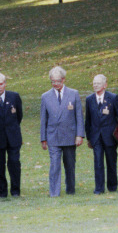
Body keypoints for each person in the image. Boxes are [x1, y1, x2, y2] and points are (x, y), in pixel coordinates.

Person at [39, 65, 84, 197]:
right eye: (53, 81)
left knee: (70, 165)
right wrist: (43, 138)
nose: (55, 84)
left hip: (70, 135)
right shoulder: (45, 96)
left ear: (63, 80)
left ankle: (70, 189)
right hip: (53, 136)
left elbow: (79, 117)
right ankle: (54, 192)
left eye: (58, 81)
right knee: (54, 165)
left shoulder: (73, 94)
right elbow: (43, 119)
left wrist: (79, 135)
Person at [85, 74, 118, 194]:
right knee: (98, 162)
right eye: (94, 83)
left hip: (110, 136)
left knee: (111, 162)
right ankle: (99, 188)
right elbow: (87, 120)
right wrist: (89, 138)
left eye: (98, 83)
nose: (95, 85)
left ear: (105, 85)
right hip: (96, 137)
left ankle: (112, 186)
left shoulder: (113, 98)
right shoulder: (89, 99)